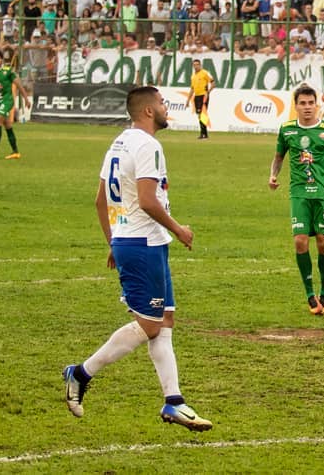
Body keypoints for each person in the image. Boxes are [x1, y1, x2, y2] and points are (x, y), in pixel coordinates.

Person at [62, 86, 212, 431]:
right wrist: (179, 229)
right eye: (161, 103)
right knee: (150, 325)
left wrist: (114, 240)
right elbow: (147, 200)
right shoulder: (148, 145)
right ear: (147, 111)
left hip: (139, 242)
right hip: (143, 243)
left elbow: (100, 200)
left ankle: (174, 401)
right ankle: (81, 373)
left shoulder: (119, 142)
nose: (165, 107)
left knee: (165, 321)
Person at [269, 85, 324, 316]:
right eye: (302, 103)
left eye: (310, 103)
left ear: (317, 105)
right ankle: (309, 294)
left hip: (323, 193)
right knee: (300, 241)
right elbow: (278, 157)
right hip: (299, 193)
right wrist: (273, 175)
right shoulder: (287, 130)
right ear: (296, 106)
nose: (307, 107)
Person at [0, 50, 29, 159]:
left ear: (2, 60)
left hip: (7, 100)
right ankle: (15, 152)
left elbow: (18, 85)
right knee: (8, 125)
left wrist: (26, 98)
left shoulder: (8, 70)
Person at [184, 59, 214, 140]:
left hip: (203, 96)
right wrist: (188, 100)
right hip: (196, 96)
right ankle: (203, 134)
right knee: (199, 114)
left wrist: (208, 92)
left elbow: (213, 83)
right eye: (194, 65)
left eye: (197, 64)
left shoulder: (205, 73)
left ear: (200, 65)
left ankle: (204, 134)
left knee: (202, 114)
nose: (196, 66)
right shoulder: (193, 76)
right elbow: (192, 89)